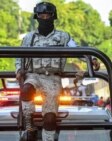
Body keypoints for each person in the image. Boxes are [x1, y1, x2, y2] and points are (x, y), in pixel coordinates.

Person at [15, 2, 98, 141]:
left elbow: (77, 50)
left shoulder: (64, 37)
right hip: (34, 75)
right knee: (26, 90)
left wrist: (92, 60)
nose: (45, 18)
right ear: (37, 17)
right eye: (42, 15)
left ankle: (49, 139)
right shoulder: (29, 38)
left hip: (53, 79)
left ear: (54, 17)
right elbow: (19, 57)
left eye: (48, 15)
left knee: (49, 118)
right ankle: (30, 128)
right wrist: (18, 70)